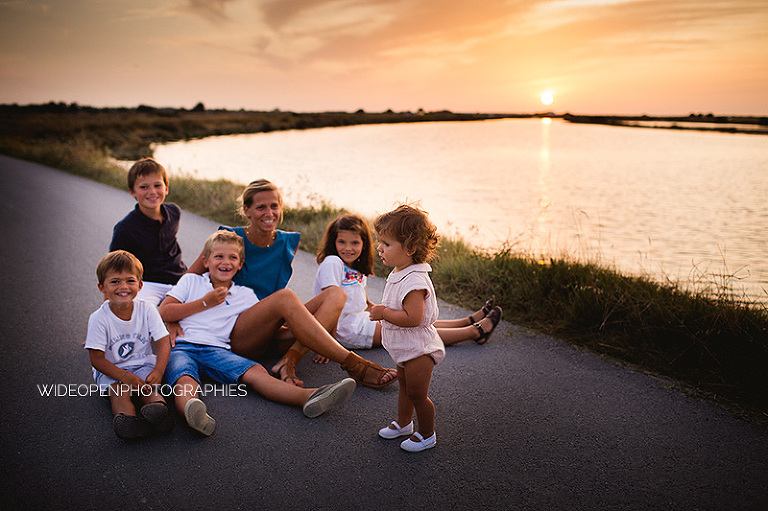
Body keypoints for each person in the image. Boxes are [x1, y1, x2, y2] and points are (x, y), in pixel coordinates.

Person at [186, 179, 394, 388]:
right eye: (261, 207)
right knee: (285, 298)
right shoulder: (229, 238)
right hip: (234, 334)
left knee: (336, 294)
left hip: (270, 331)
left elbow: (270, 297)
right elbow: (188, 281)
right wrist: (174, 321)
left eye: (274, 206)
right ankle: (355, 365)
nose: (269, 213)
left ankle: (289, 360)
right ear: (247, 210)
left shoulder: (287, 243)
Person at [158, 230, 359, 435]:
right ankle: (192, 410)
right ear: (205, 261)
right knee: (184, 379)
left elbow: (267, 326)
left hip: (217, 350)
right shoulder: (192, 281)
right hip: (181, 347)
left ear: (240, 265)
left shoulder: (245, 295)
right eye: (218, 256)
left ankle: (308, 396)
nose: (225, 262)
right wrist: (205, 302)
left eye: (232, 257)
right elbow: (164, 311)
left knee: (257, 373)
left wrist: (305, 327)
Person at [371, 205, 502, 452]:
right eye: (380, 242)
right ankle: (404, 423)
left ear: (410, 249)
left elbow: (414, 318)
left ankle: (426, 434)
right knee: (404, 388)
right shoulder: (401, 271)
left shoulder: (415, 280)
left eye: (386, 244)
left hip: (419, 349)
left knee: (417, 394)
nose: (379, 248)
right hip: (405, 346)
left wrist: (383, 313)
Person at [311, 214, 502, 358]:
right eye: (341, 242)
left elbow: (364, 303)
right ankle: (474, 332)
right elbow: (330, 304)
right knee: (410, 332)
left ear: (364, 244)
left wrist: (382, 312)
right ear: (333, 242)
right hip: (346, 331)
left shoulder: (355, 269)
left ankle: (466, 321)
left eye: (355, 243)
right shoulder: (332, 263)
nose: (348, 248)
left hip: (359, 321)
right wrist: (327, 344)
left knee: (411, 322)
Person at [84, 251, 174, 441]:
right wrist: (124, 376)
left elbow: (163, 342)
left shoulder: (147, 309)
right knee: (120, 392)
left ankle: (160, 414)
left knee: (148, 388)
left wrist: (158, 371)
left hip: (142, 364)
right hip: (112, 370)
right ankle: (128, 422)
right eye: (115, 281)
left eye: (130, 281)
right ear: (102, 287)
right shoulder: (99, 318)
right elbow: (96, 359)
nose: (123, 287)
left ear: (140, 285)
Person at [110, 157, 187, 306]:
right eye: (144, 187)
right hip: (148, 283)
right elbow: (113, 269)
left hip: (180, 279)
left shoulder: (174, 212)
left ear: (166, 188)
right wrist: (110, 308)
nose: (152, 192)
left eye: (157, 185)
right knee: (144, 311)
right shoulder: (125, 228)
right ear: (132, 191)